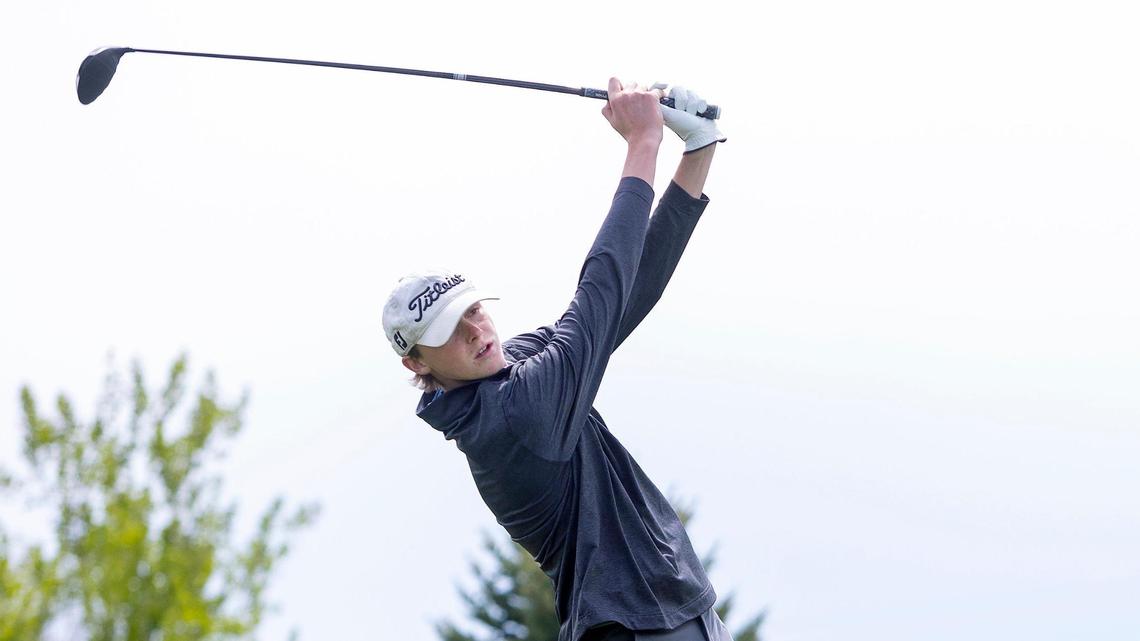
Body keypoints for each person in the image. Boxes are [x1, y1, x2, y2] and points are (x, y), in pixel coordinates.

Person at [382, 78, 729, 641]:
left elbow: (624, 295)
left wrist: (697, 152)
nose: (475, 331)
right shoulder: (513, 419)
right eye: (450, 331)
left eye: (473, 310)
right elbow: (601, 288)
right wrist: (642, 143)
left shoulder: (510, 372)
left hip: (667, 620)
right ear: (418, 364)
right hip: (636, 630)